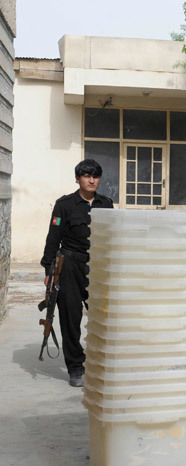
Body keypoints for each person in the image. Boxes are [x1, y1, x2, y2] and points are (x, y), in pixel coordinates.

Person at [40, 159, 113, 387]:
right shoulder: (64, 205)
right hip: (70, 265)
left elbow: (113, 236)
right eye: (86, 176)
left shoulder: (106, 204)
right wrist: (49, 269)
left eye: (95, 176)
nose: (92, 180)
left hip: (99, 266)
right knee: (70, 317)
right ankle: (75, 368)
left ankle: (102, 363)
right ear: (77, 179)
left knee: (104, 316)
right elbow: (54, 236)